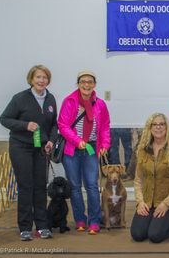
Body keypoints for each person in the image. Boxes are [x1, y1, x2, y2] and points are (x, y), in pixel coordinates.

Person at [0, 65, 57, 241]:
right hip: (20, 147)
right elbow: (4, 119)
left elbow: (54, 124)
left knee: (40, 186)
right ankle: (25, 227)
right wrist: (25, 125)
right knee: (26, 186)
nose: (41, 81)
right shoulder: (20, 98)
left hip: (40, 148)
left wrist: (51, 141)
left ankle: (42, 226)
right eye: (38, 77)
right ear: (31, 79)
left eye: (45, 77)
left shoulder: (50, 98)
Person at [58, 70, 110, 235]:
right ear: (78, 84)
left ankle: (94, 221)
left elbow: (105, 126)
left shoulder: (100, 104)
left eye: (90, 82)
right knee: (74, 186)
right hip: (72, 150)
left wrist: (105, 144)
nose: (86, 85)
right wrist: (77, 140)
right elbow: (63, 125)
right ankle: (80, 219)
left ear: (94, 84)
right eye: (83, 82)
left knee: (92, 186)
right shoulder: (70, 101)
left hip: (91, 149)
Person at [131, 113, 169, 243]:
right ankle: (153, 220)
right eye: (155, 124)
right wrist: (140, 202)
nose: (158, 127)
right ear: (150, 128)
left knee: (155, 236)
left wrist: (166, 204)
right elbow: (138, 180)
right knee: (137, 234)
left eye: (162, 124)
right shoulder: (142, 150)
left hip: (168, 203)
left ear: (167, 128)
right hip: (147, 202)